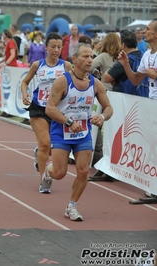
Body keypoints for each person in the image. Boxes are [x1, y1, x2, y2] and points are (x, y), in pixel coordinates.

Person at [43, 43, 113, 221]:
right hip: (62, 130)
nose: (90, 60)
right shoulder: (62, 81)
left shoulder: (95, 84)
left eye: (91, 56)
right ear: (74, 59)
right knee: (59, 173)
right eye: (85, 56)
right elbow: (50, 109)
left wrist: (102, 118)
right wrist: (68, 121)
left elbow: (108, 108)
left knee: (83, 171)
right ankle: (47, 170)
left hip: (83, 133)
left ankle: (71, 206)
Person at [21, 33, 72, 193]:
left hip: (57, 110)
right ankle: (44, 180)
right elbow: (25, 82)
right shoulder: (38, 65)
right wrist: (25, 94)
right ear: (46, 47)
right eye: (53, 47)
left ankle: (39, 154)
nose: (56, 50)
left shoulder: (66, 66)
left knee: (53, 147)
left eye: (59, 47)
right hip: (39, 109)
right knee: (45, 143)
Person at [118, 20, 157, 100]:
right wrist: (126, 64)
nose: (143, 31)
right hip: (151, 101)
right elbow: (136, 80)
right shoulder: (146, 54)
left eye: (148, 29)